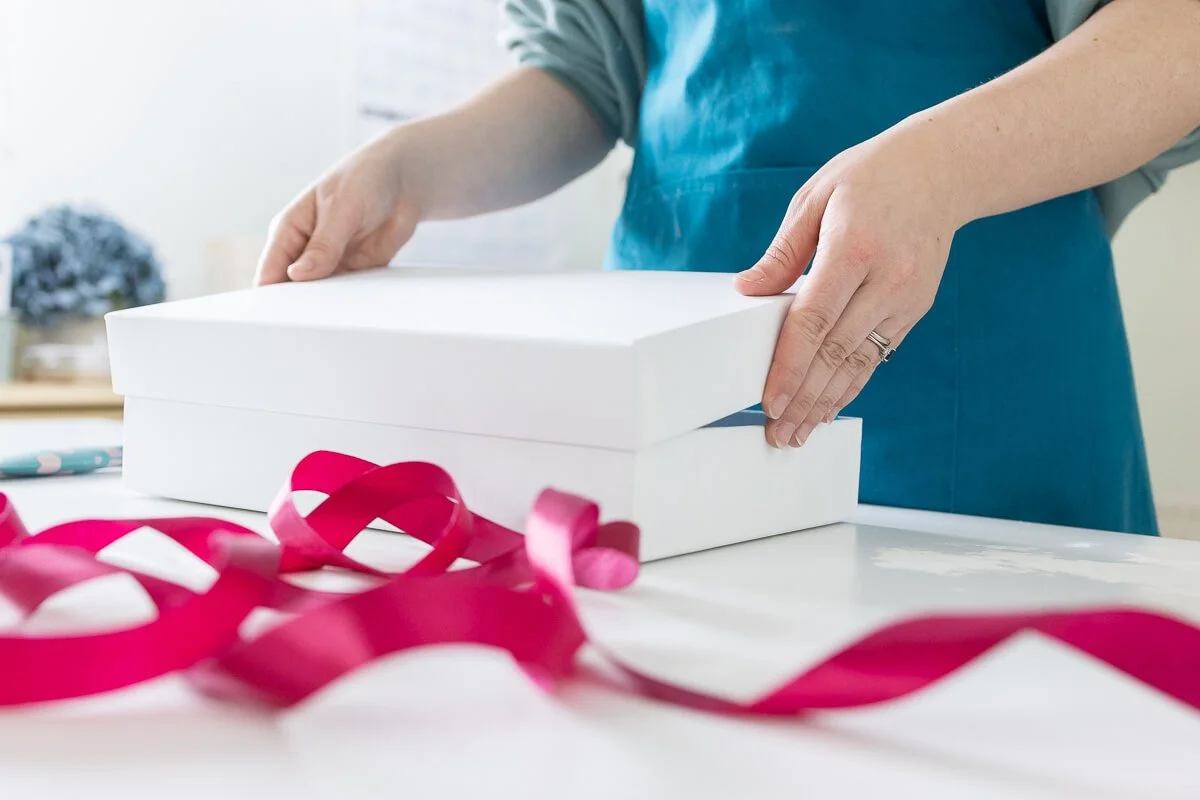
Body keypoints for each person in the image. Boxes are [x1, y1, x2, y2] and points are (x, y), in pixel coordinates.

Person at [255, 0, 1200, 537]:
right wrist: (413, 168)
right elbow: (586, 68)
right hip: (674, 406)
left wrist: (942, 166)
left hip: (992, 396)